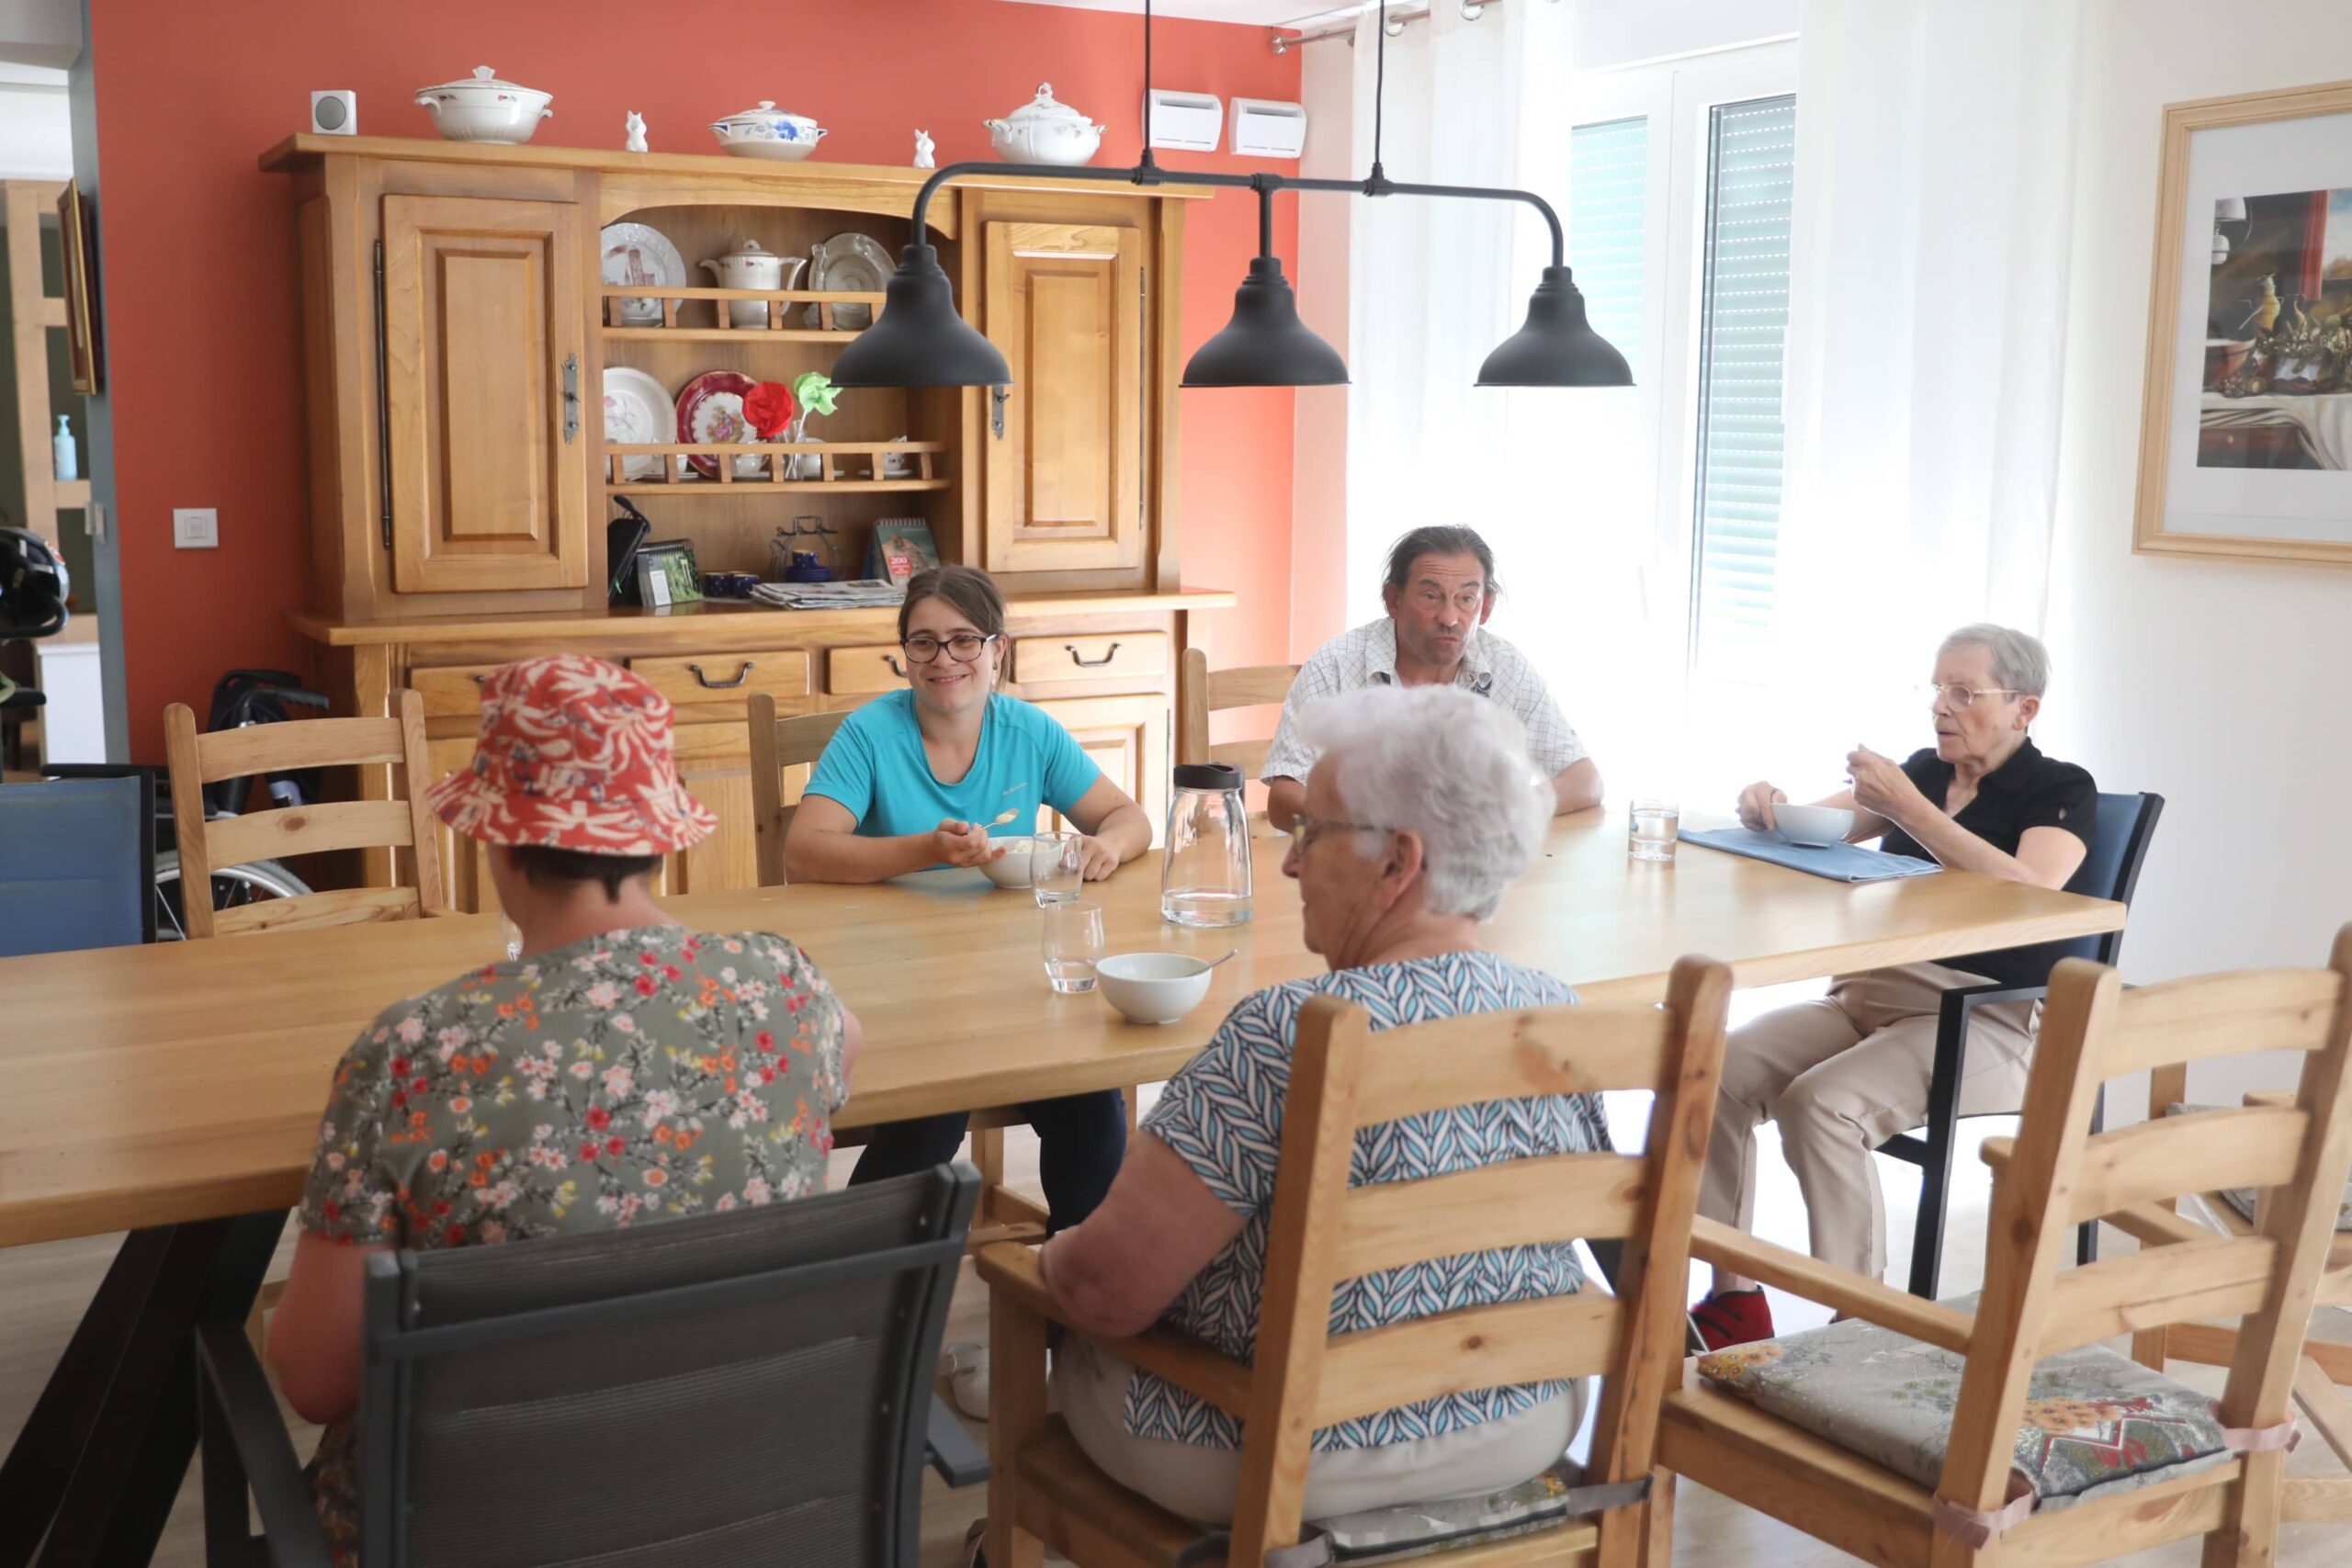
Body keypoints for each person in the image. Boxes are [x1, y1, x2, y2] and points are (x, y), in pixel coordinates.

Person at [266, 655, 859, 1561]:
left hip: (477, 1528)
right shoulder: (788, 986)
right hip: (737, 1497)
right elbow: (847, 1047)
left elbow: (314, 1379)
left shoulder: (413, 1051)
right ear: (659, 838)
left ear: (498, 844)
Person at [1021, 683, 1608, 1526]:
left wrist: (1041, 1259)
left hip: (1291, 1452)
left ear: (1398, 862)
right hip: (1522, 1419)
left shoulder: (1286, 1033)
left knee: (1067, 1330)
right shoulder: (1558, 1016)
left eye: (1311, 833)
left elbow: (1109, 1291)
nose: (1289, 861)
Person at [1690, 624, 2096, 1349]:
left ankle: (1859, 1332)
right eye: (1938, 687)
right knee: (1712, 1072)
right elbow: (1824, 828)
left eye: (1964, 691)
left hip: (1986, 1018)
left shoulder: (2059, 787)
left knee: (1820, 1107)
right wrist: (1771, 807)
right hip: (1869, 995)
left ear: (2024, 709)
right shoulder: (1925, 772)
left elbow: (2035, 890)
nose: (1942, 705)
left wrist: (1910, 807)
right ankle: (1735, 1301)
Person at [788, 564, 1147, 1273]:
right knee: (931, 1116)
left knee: (1093, 1107)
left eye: (962, 641)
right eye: (922, 643)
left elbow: (1127, 815)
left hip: (1017, 989)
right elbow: (804, 849)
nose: (944, 660)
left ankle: (1077, 1297)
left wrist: (1104, 845)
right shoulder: (870, 732)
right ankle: (847, 1291)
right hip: (898, 991)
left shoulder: (1030, 730)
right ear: (904, 657)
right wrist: (925, 849)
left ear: (997, 650)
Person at [1261, 525, 1600, 831]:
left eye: (1466, 599)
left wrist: (1506, 810)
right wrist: (1376, 830)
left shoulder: (1506, 666)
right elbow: (1282, 800)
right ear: (1394, 600)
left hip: (1467, 874)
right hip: (1358, 869)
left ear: (1485, 608)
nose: (1450, 618)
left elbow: (1585, 781)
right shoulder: (1336, 664)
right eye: (1430, 596)